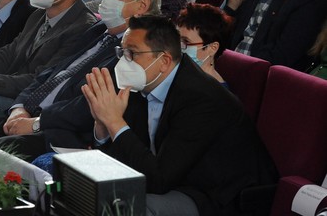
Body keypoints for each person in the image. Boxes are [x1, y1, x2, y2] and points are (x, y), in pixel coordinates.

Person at [82, 15, 277, 216]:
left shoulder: (202, 99)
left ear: (164, 60)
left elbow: (159, 180)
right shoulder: (142, 82)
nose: (124, 61)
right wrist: (103, 124)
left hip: (213, 194)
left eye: (132, 53)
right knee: (85, 187)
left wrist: (115, 121)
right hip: (168, 178)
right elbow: (130, 155)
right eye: (122, 52)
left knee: (128, 207)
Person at [0, 0, 162, 159]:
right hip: (31, 113)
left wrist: (38, 122)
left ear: (142, 5)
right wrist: (19, 108)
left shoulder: (139, 50)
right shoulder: (97, 30)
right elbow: (50, 72)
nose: (106, 1)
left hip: (65, 134)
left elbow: (88, 107)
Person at [176, 3, 234, 86]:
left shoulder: (217, 94)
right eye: (177, 38)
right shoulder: (179, 75)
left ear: (212, 48)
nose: (178, 46)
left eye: (186, 41)